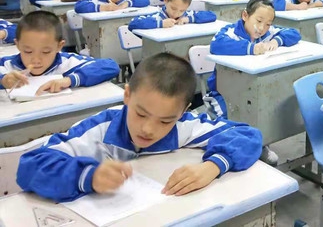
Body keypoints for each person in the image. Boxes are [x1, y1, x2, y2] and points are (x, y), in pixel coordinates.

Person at [16, 52, 263, 202]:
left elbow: (247, 134)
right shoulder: (99, 129)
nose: (148, 129)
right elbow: (31, 166)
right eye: (141, 114)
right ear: (127, 96)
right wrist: (88, 176)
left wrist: (213, 166)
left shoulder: (184, 126)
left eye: (165, 121)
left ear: (183, 112)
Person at [206, 0, 301, 165]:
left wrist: (276, 40)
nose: (263, 28)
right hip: (223, 93)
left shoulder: (268, 33)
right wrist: (251, 48)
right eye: (259, 21)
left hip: (252, 89)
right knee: (230, 124)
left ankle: (260, 144)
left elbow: (294, 33)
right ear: (245, 16)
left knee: (263, 112)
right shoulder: (230, 32)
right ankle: (228, 154)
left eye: (268, 24)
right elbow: (217, 45)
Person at [0, 11, 120, 94]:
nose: (36, 60)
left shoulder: (67, 62)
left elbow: (110, 66)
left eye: (46, 52)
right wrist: (3, 80)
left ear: (59, 46)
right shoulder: (7, 65)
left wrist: (69, 80)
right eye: (28, 51)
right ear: (18, 45)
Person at [129, 0, 216, 30]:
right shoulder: (158, 17)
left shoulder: (187, 15)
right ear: (165, 0)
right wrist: (160, 24)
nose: (176, 14)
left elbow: (212, 15)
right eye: (173, 8)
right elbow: (133, 23)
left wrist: (189, 19)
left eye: (181, 10)